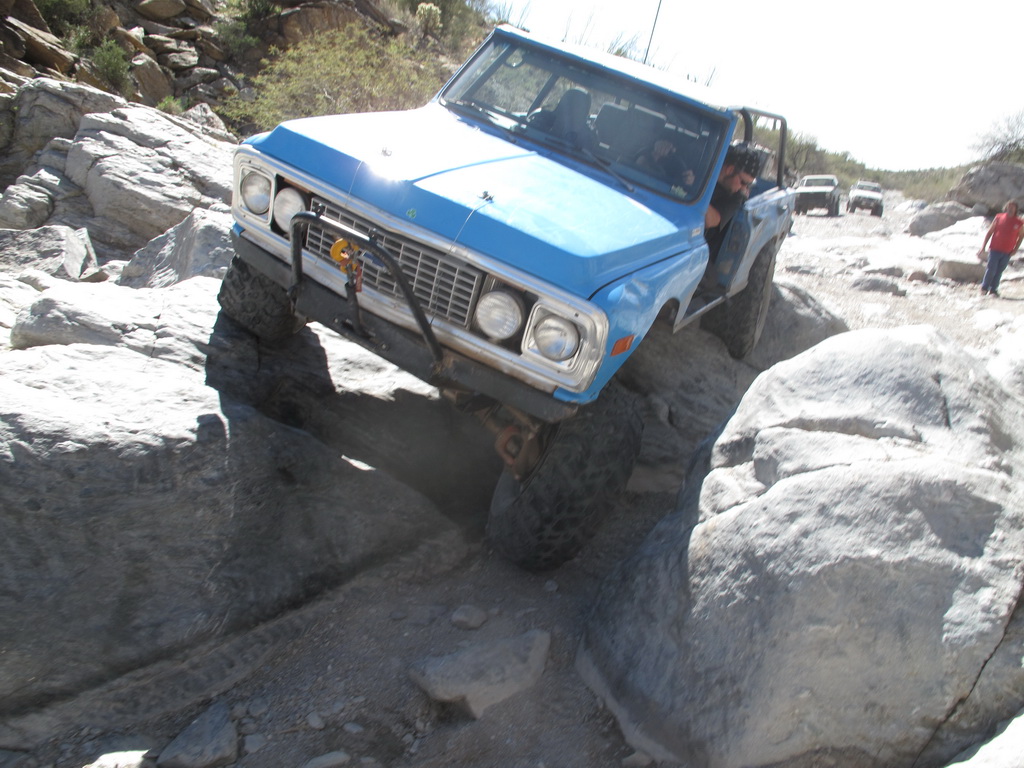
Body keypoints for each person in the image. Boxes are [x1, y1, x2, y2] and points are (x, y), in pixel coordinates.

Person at [704, 142, 761, 255]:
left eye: (748, 185)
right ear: (730, 170)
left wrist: (690, 194)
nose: (744, 188)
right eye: (743, 182)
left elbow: (711, 221)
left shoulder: (736, 196)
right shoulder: (704, 169)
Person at [978, 200, 1023, 297]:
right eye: (1009, 206)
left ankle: (993, 290)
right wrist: (983, 246)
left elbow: (1021, 237)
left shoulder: (1019, 222)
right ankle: (984, 288)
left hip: (1007, 251)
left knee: (999, 271)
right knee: (991, 269)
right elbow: (990, 232)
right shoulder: (999, 217)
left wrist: (1015, 250)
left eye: (1013, 207)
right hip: (995, 248)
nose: (1010, 208)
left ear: (1016, 209)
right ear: (1006, 207)